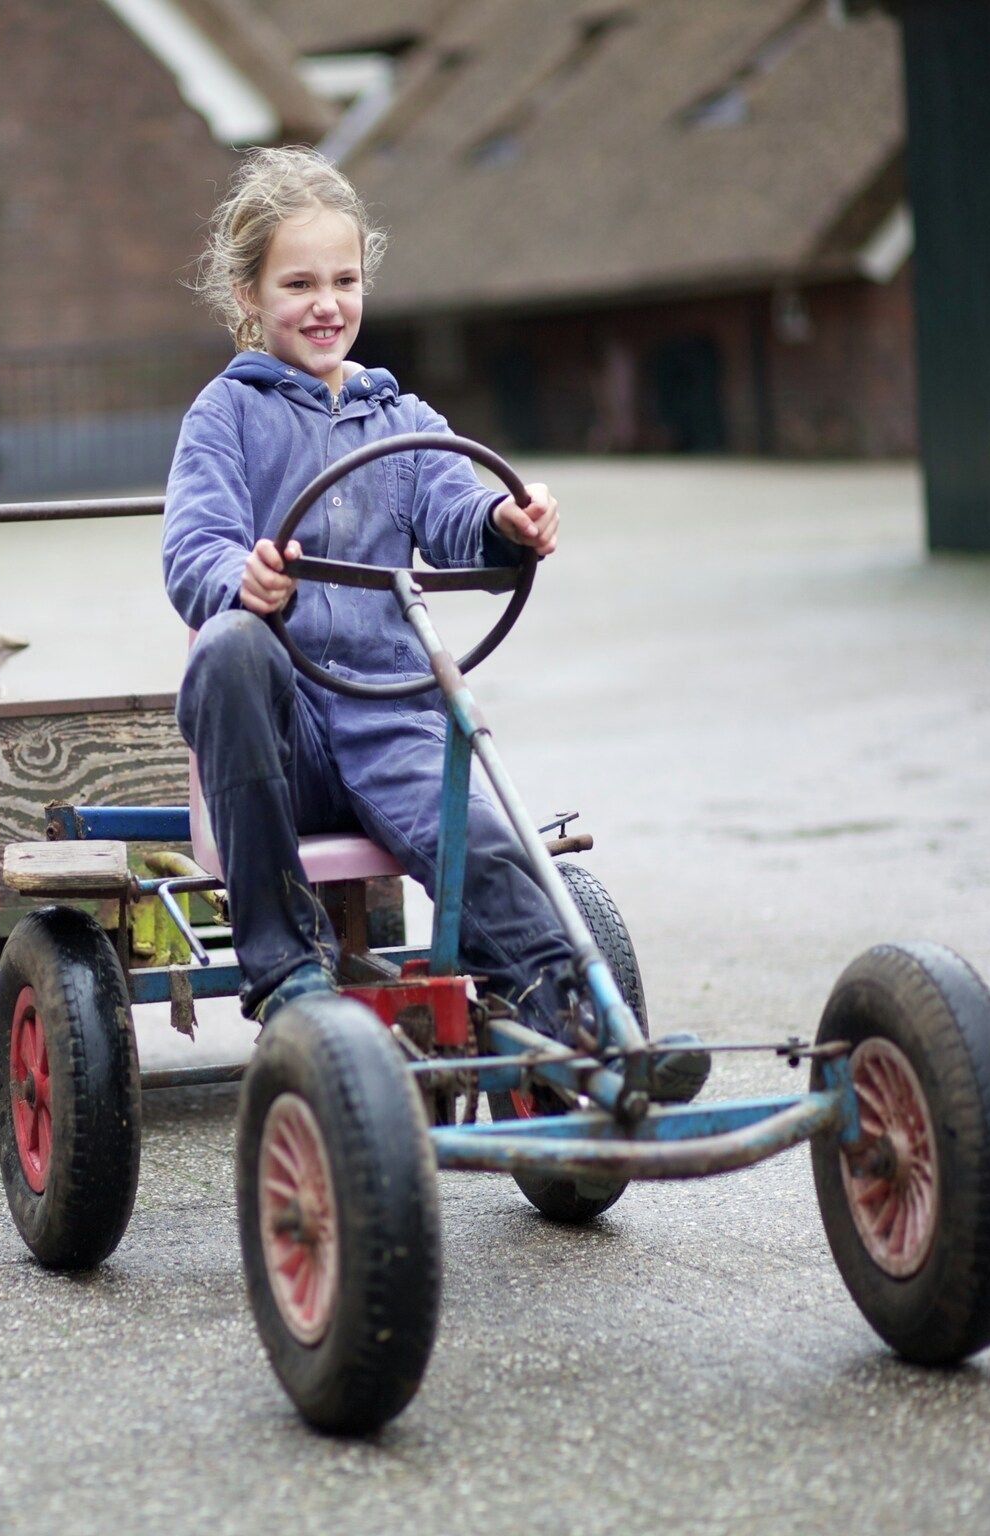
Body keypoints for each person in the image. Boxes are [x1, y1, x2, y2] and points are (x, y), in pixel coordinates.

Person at [163, 148, 706, 1096]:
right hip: (279, 736)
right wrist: (236, 580)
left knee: (490, 837)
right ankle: (286, 969)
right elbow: (192, 549)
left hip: (386, 714)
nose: (326, 303)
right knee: (229, 647)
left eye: (344, 280)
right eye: (298, 283)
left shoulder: (396, 417)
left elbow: (456, 508)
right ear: (249, 295)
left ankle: (577, 1031)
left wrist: (505, 524)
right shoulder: (224, 417)